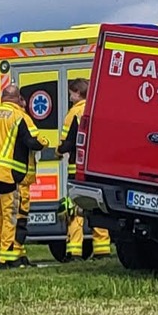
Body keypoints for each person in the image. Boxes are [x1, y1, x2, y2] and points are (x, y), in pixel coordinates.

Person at [0, 71, 42, 266]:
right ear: (18, 99)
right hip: (8, 177)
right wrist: (44, 142)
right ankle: (8, 258)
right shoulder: (19, 117)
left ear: (3, 98)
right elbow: (33, 142)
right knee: (11, 218)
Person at [59, 75, 111, 259]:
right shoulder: (98, 109)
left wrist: (58, 151)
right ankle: (102, 249)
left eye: (72, 94)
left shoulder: (74, 113)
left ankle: (74, 251)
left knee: (76, 210)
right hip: (97, 168)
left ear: (78, 94)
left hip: (76, 169)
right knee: (98, 207)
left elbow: (68, 142)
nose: (70, 97)